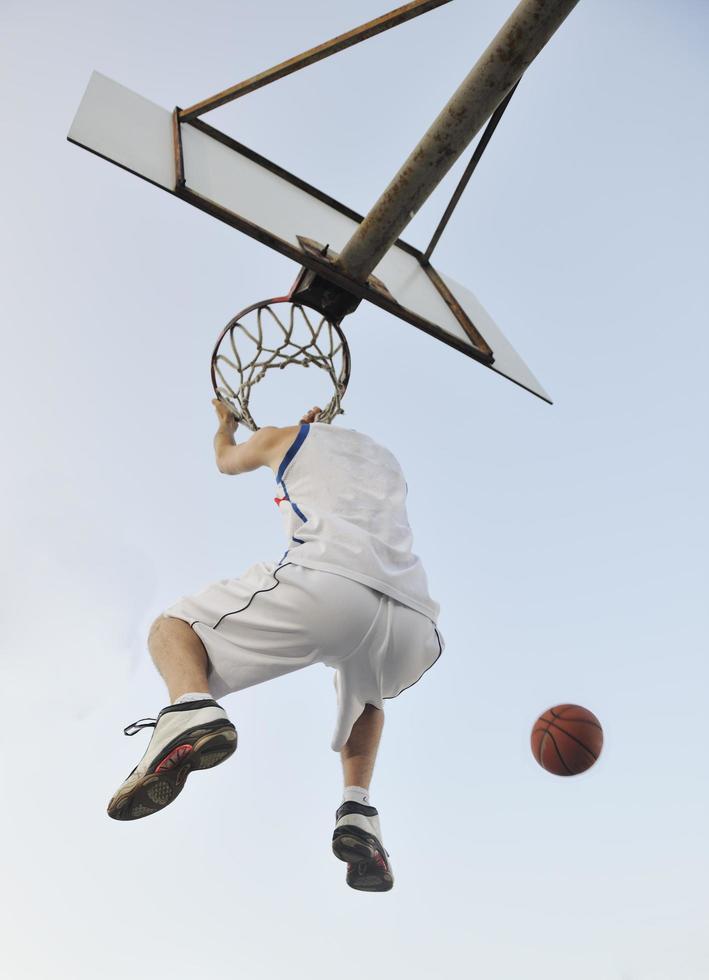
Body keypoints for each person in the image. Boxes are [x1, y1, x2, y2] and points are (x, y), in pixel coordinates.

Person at [107, 400, 444, 892]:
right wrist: (312, 431)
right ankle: (359, 808)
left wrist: (226, 426)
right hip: (415, 622)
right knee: (364, 692)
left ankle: (189, 710)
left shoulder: (279, 438)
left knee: (174, 626)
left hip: (331, 585)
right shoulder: (385, 462)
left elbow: (226, 460)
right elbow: (335, 471)